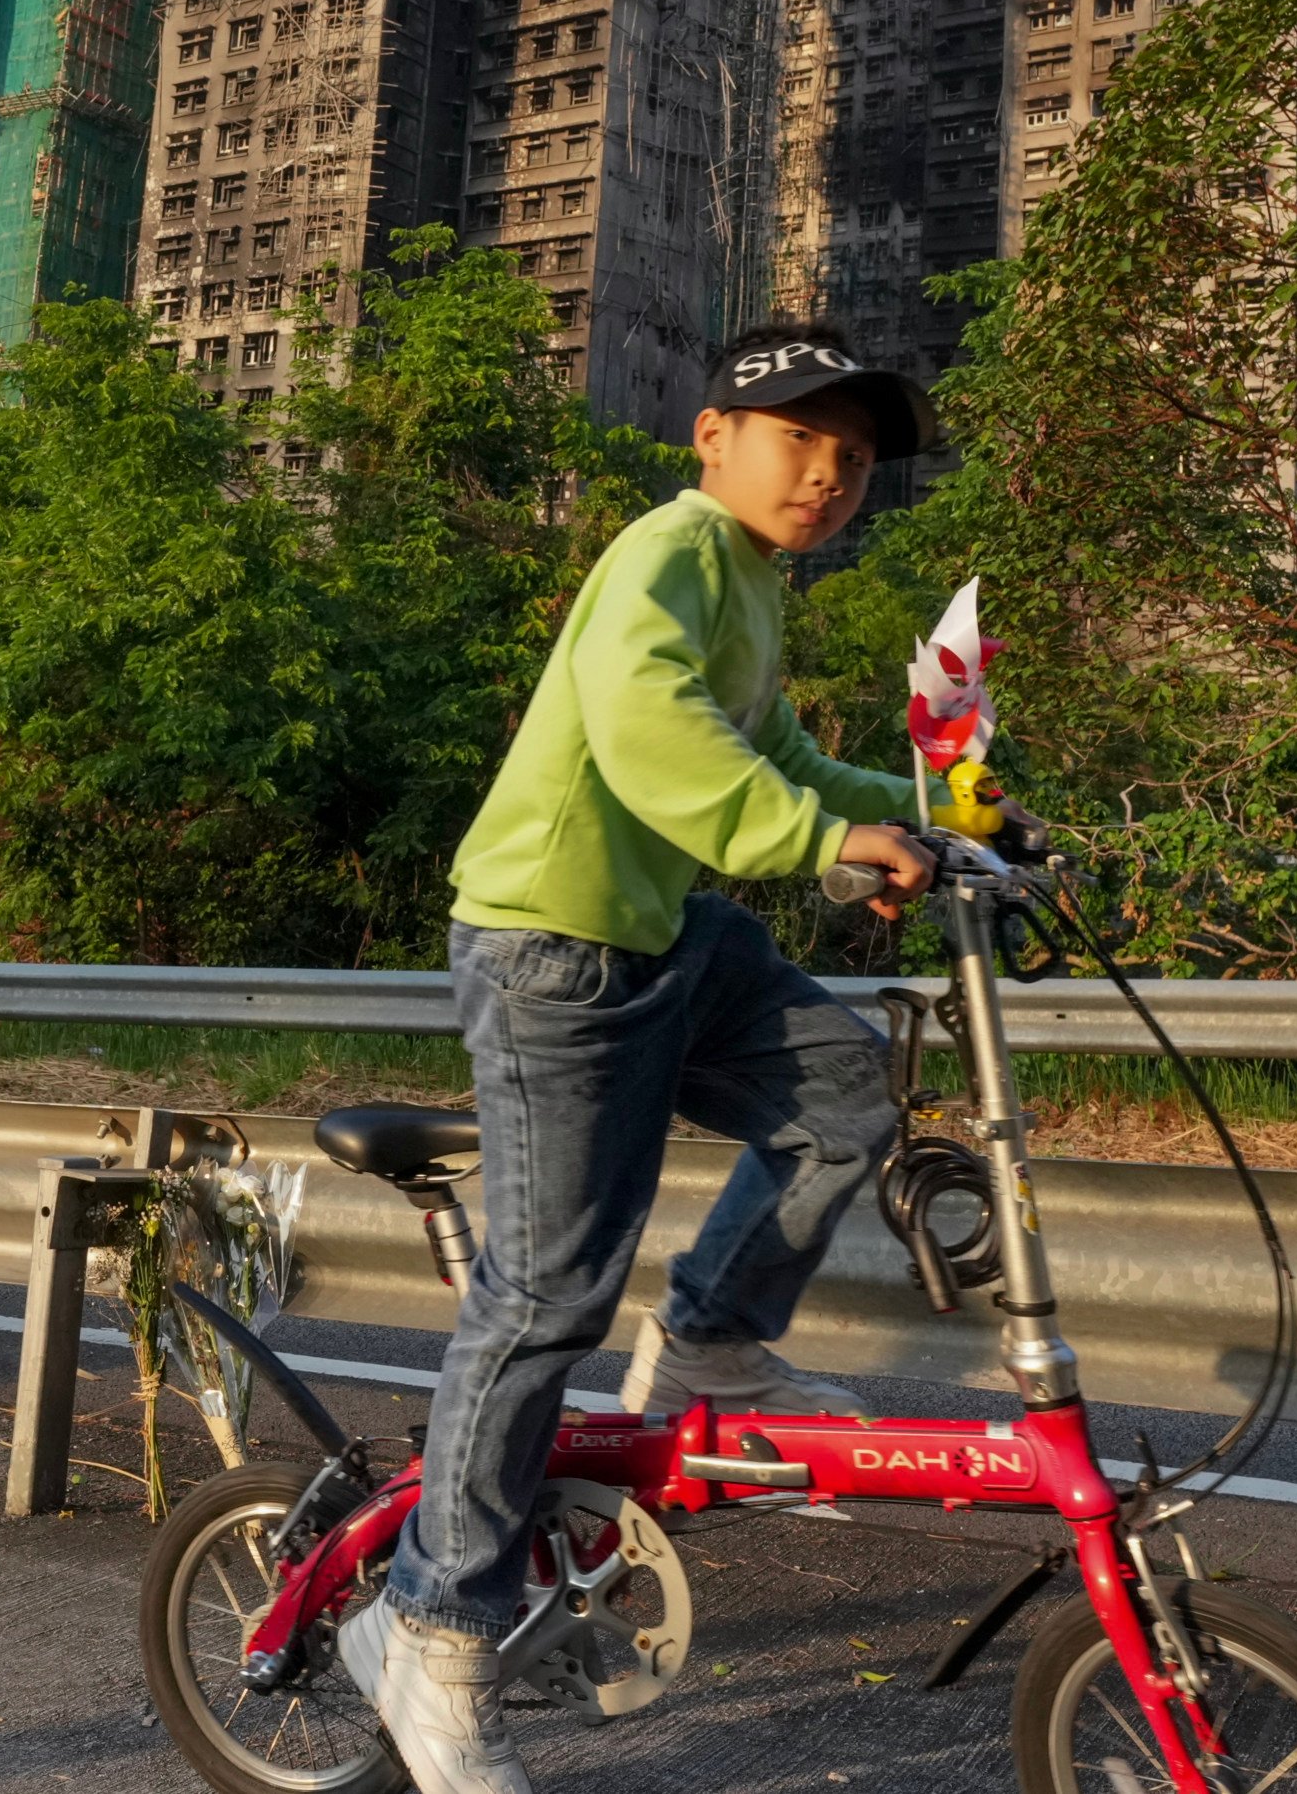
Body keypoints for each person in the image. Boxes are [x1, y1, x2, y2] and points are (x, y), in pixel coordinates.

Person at [356, 320, 940, 1794]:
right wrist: (822, 843)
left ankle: (713, 1341)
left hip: (665, 933)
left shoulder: (751, 583)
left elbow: (780, 757)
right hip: (553, 946)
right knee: (544, 1298)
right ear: (713, 437)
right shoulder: (669, 550)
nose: (829, 475)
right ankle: (430, 1627)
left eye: (854, 457)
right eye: (801, 438)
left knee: (845, 1089)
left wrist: (939, 811)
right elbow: (652, 731)